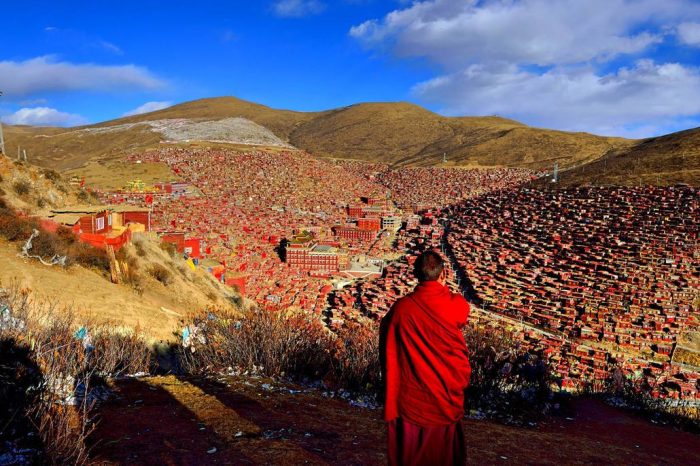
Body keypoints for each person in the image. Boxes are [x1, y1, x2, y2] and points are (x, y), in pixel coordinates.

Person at [380, 250, 471, 466]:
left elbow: (388, 344)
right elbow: (462, 313)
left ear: (416, 276)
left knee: (412, 454)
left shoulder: (402, 308)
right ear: (443, 274)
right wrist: (444, 288)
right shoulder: (454, 304)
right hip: (444, 395)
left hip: (412, 397)